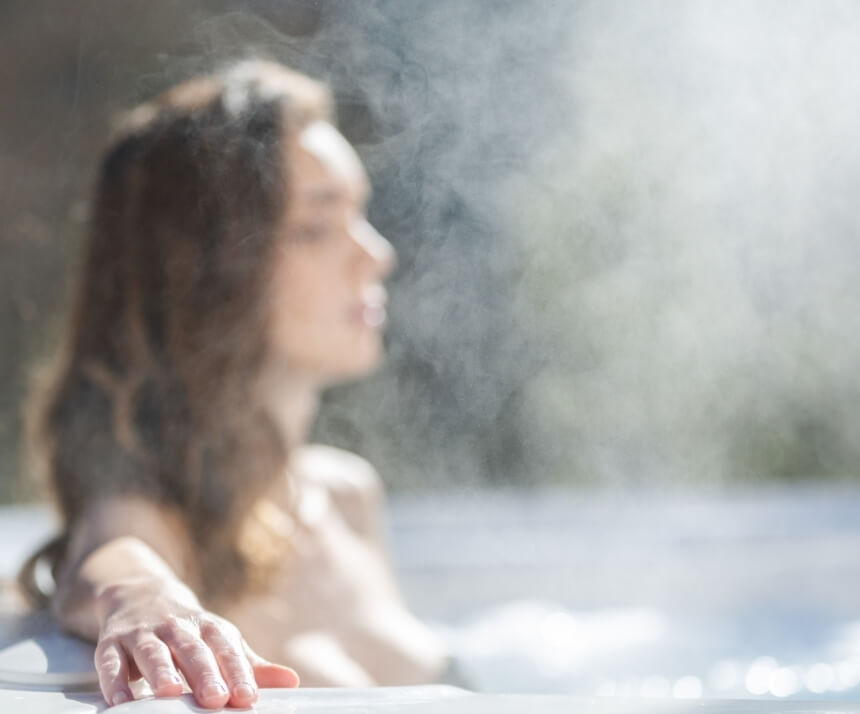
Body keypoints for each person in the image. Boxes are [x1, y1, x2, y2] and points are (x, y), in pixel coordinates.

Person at [17, 59, 448, 709]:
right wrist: (141, 596)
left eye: (360, 211)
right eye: (315, 227)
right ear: (205, 275)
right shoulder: (163, 514)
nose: (377, 254)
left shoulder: (348, 495)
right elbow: (111, 556)